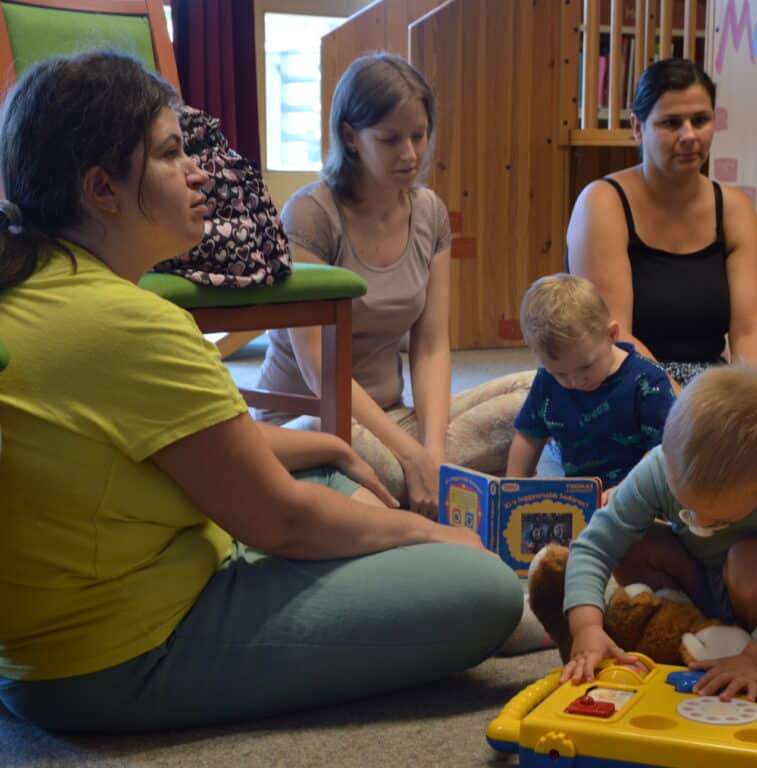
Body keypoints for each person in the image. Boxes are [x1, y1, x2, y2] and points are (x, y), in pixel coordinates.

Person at [0, 50, 523, 733]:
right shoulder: (131, 323)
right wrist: (435, 534)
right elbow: (280, 521)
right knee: (484, 586)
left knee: (336, 472)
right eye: (170, 154)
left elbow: (202, 445)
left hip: (72, 642)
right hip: (124, 654)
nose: (199, 172)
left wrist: (332, 447)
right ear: (102, 190)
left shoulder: (43, 284)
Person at [566, 57, 757, 474]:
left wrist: (752, 403)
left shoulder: (733, 207)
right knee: (599, 407)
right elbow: (616, 336)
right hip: (632, 379)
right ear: (638, 128)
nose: (689, 136)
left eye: (700, 120)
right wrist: (687, 406)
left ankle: (730, 447)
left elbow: (749, 330)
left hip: (713, 379)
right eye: (671, 123)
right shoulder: (602, 202)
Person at [254, 53, 533, 517]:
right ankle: (416, 484)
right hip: (315, 421)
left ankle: (410, 484)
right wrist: (410, 454)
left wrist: (433, 450)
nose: (410, 154)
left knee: (537, 391)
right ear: (351, 137)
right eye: (390, 139)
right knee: (362, 452)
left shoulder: (430, 212)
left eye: (419, 135)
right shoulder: (309, 215)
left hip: (390, 418)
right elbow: (319, 368)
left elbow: (431, 345)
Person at [559, 365, 757, 701]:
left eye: (719, 517)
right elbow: (595, 546)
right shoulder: (658, 466)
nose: (699, 521)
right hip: (700, 576)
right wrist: (587, 627)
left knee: (751, 559)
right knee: (632, 542)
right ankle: (692, 630)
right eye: (686, 507)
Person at [507, 274, 675, 488]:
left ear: (612, 335)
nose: (576, 381)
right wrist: (512, 486)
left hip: (640, 494)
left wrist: (625, 491)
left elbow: (664, 450)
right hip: (581, 494)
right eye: (560, 373)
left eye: (586, 367)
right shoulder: (547, 381)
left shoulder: (647, 381)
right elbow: (529, 436)